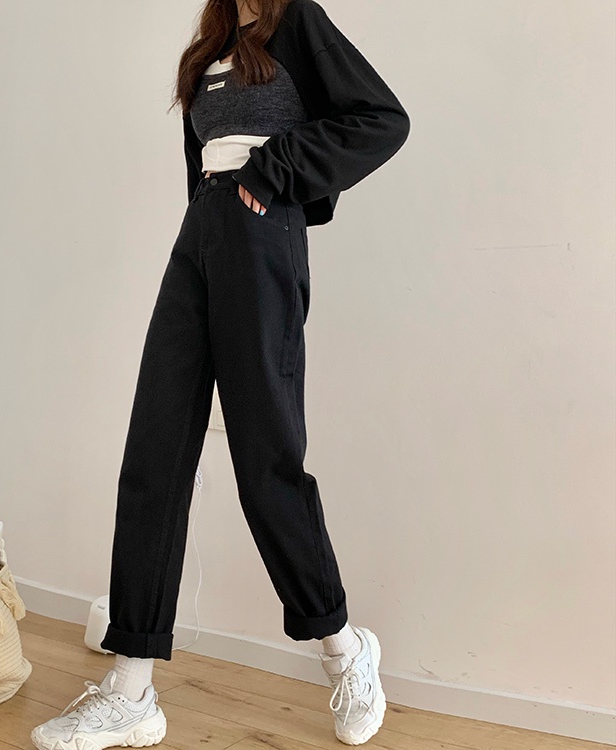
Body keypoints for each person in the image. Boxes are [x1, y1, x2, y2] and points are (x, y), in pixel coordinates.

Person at [31, 0, 409, 747]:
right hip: (202, 229)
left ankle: (342, 648)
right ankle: (132, 686)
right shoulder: (209, 46)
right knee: (154, 453)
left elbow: (382, 119)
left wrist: (276, 170)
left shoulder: (296, 21)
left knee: (266, 461)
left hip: (263, 232)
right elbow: (199, 157)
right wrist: (212, 218)